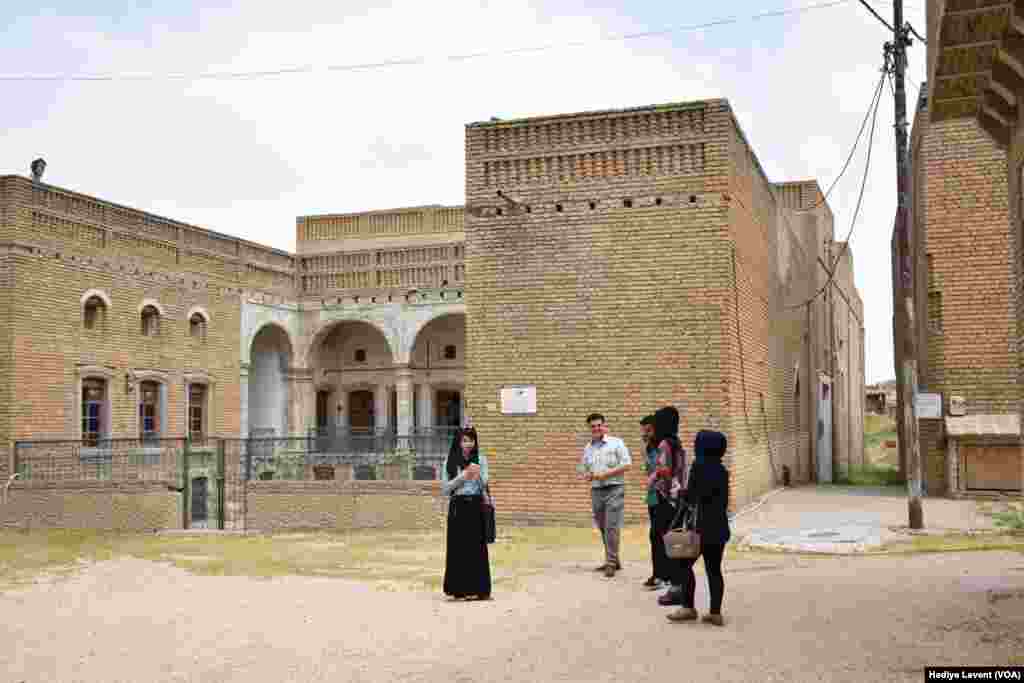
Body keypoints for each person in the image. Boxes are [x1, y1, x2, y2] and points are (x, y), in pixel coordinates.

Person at [667, 429, 731, 626]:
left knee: (683, 565)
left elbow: (694, 495)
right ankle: (715, 613)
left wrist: (679, 493)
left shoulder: (699, 466)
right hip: (719, 528)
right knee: (714, 570)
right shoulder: (722, 470)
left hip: (701, 528)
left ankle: (688, 608)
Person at [441, 427, 492, 600]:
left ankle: (479, 589)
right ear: (458, 442)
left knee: (477, 549)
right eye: (464, 440)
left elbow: (484, 483)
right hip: (458, 506)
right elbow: (446, 489)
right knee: (458, 549)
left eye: (471, 440)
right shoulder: (450, 460)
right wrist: (462, 476)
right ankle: (458, 589)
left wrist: (476, 474)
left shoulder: (481, 459)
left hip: (475, 505)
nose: (468, 444)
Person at [579, 413, 632, 578]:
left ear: (604, 426)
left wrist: (606, 474)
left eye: (599, 425)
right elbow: (584, 467)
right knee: (603, 526)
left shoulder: (616, 443)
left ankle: (610, 562)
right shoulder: (588, 448)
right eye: (593, 426)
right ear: (590, 428)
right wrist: (587, 474)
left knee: (611, 527)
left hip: (614, 488)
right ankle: (614, 559)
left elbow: (627, 464)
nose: (596, 428)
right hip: (596, 490)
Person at [650, 406, 688, 606]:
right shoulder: (677, 442)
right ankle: (678, 584)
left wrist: (655, 476)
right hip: (678, 497)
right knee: (676, 541)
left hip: (666, 499)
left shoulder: (665, 444)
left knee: (666, 541)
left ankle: (675, 587)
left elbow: (665, 470)